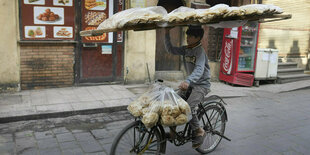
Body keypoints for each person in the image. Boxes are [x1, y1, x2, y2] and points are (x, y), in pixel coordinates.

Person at [164, 25, 211, 149]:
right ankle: (173, 133)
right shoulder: (186, 49)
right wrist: (166, 33)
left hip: (201, 85)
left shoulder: (200, 51)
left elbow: (199, 68)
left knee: (188, 107)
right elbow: (170, 50)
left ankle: (199, 130)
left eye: (190, 36)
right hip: (191, 83)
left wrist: (188, 80)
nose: (187, 37)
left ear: (198, 38)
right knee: (175, 103)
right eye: (187, 35)